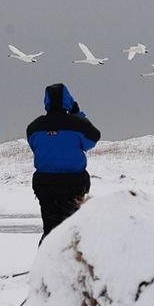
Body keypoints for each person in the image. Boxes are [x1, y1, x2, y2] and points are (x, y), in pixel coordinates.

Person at [27, 83, 101, 242]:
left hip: (45, 183)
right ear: (68, 100)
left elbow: (34, 147)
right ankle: (72, 260)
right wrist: (78, 114)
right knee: (73, 226)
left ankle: (46, 260)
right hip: (73, 182)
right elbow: (93, 139)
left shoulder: (34, 127)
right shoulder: (78, 124)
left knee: (50, 228)